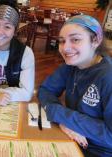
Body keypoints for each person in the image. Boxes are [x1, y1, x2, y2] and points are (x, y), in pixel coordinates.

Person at [38, 15, 112, 157]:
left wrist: (63, 117)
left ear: (96, 40)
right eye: (61, 41)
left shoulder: (108, 77)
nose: (65, 48)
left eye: (75, 39)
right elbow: (45, 89)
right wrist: (64, 121)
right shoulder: (71, 66)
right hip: (69, 141)